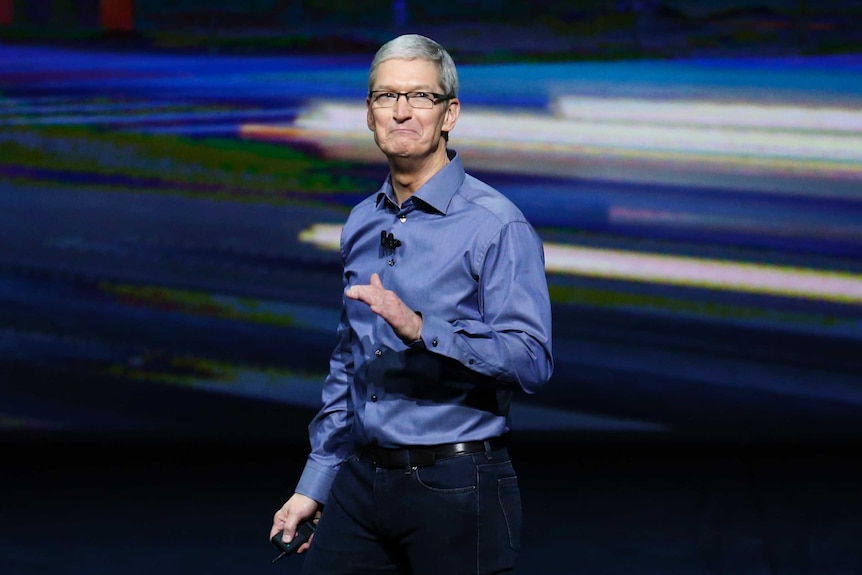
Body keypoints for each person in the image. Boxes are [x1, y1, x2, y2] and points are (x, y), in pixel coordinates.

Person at [270, 33, 554, 575]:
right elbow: (348, 363)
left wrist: (425, 330)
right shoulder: (361, 222)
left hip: (457, 483)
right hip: (360, 479)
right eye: (385, 97)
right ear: (369, 114)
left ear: (449, 114)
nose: (401, 112)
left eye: (420, 97)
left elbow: (532, 360)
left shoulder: (496, 224)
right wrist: (317, 480)